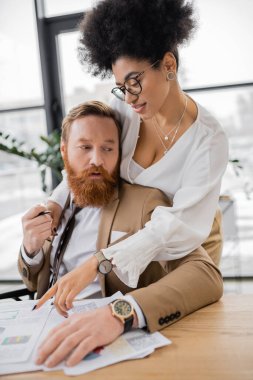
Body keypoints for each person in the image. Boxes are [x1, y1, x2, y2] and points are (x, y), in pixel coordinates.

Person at [19, 100, 223, 368]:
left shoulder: (144, 203)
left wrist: (121, 313)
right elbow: (36, 286)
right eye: (85, 147)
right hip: (42, 338)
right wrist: (30, 248)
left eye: (108, 148)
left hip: (108, 350)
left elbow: (205, 275)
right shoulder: (54, 210)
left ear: (120, 152)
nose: (97, 160)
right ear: (64, 151)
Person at [49, 0, 228, 289]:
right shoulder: (123, 111)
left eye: (135, 81)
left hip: (184, 247)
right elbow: (94, 161)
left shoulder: (208, 140)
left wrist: (100, 261)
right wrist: (56, 202)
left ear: (168, 65)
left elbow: (175, 227)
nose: (129, 97)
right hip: (124, 249)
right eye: (121, 86)